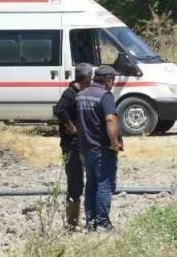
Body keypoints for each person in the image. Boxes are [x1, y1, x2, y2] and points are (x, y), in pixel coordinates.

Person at [76, 66, 124, 231]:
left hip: (86, 148)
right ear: (108, 79)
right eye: (113, 80)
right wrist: (114, 143)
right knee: (104, 184)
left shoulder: (81, 95)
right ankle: (102, 224)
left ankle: (91, 222)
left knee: (91, 185)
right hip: (102, 149)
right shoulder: (105, 96)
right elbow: (110, 119)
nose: (113, 83)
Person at [53, 62, 95, 230]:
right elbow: (59, 110)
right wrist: (71, 126)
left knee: (82, 181)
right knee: (75, 182)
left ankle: (80, 220)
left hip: (81, 145)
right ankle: (72, 223)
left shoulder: (82, 93)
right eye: (91, 77)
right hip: (71, 146)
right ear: (86, 78)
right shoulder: (70, 93)